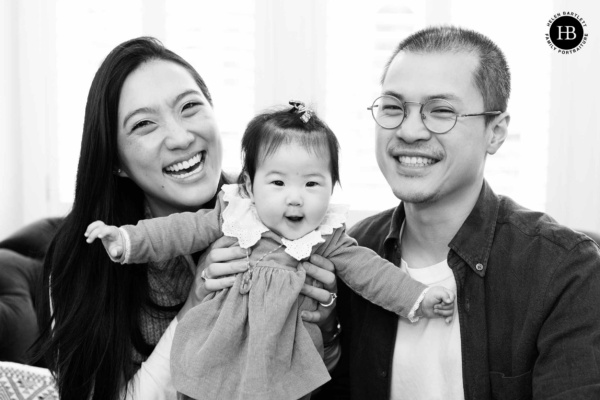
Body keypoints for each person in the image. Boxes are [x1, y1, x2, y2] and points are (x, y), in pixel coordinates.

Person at [85, 101, 456, 400]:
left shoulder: (326, 237)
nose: (294, 198)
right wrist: (126, 240)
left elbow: (374, 274)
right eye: (277, 182)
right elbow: (177, 230)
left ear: (332, 189)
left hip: (284, 361)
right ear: (248, 185)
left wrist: (418, 297)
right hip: (218, 348)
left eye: (312, 183)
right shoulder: (234, 215)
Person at [34, 37, 338, 400]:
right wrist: (195, 305)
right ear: (115, 160)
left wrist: (326, 324)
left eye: (190, 107)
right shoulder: (83, 258)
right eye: (144, 124)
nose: (180, 137)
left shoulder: (280, 217)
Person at [317, 26, 600, 399]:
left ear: (495, 133)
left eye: (441, 111)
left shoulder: (564, 270)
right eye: (393, 107)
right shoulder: (350, 252)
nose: (410, 130)